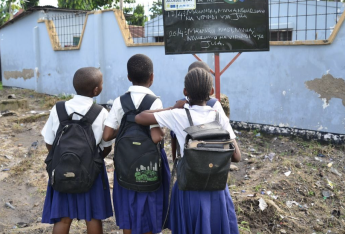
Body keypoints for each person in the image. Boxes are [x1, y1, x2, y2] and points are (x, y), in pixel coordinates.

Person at [135, 67, 241, 234]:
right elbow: (237, 156)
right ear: (211, 91)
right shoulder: (218, 114)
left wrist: (172, 107)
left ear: (185, 91)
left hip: (189, 189)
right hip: (216, 190)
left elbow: (140, 117)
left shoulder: (178, 115)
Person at [102, 54, 170, 234]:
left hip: (125, 164)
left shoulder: (119, 101)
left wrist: (124, 130)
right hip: (148, 165)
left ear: (129, 77)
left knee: (128, 210)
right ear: (152, 77)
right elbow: (156, 137)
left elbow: (107, 135)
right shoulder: (154, 101)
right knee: (148, 209)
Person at [41, 67, 113, 234]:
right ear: (96, 90)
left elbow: (49, 141)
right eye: (102, 83)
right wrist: (92, 160)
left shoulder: (58, 109)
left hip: (61, 169)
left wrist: (61, 160)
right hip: (91, 172)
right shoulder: (100, 112)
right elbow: (107, 145)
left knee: (62, 218)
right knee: (93, 217)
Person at [169, 61, 226, 161]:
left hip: (190, 162)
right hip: (211, 159)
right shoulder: (181, 105)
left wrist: (175, 162)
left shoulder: (180, 105)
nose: (197, 80)